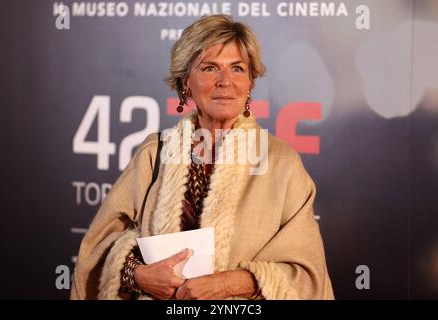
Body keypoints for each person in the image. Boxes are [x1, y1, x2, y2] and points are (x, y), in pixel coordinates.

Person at [70, 14, 334, 300]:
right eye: (209, 68)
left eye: (237, 68)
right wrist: (137, 274)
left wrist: (229, 284)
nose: (225, 81)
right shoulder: (154, 153)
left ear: (250, 83)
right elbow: (98, 248)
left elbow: (307, 274)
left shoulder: (282, 163)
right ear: (186, 83)